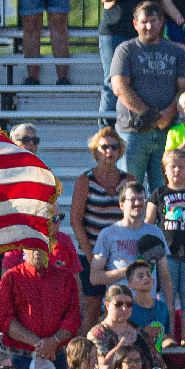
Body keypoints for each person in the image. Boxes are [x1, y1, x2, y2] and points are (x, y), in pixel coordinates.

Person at [108, 1, 185, 194]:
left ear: (161, 22)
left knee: (165, 191)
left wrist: (166, 115)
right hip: (133, 131)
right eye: (144, 21)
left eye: (153, 21)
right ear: (135, 24)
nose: (149, 26)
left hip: (168, 132)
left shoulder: (177, 52)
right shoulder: (126, 49)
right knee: (129, 190)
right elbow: (119, 87)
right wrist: (152, 116)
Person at [69, 127, 129, 335]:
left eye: (114, 147)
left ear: (119, 151)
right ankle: (86, 356)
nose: (109, 151)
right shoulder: (85, 180)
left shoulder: (128, 180)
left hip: (119, 255)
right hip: (91, 252)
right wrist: (91, 255)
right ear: (96, 151)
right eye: (104, 147)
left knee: (122, 306)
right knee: (92, 308)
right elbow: (76, 221)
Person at [144, 147, 185, 317]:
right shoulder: (158, 194)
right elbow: (148, 223)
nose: (177, 170)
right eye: (172, 166)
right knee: (167, 296)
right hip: (166, 254)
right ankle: (168, 334)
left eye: (181, 166)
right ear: (165, 169)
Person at [90, 179, 173, 303]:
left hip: (148, 305)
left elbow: (164, 275)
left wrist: (170, 307)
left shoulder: (155, 232)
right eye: (132, 200)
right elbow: (95, 277)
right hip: (119, 306)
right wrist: (129, 271)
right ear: (121, 205)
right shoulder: (108, 234)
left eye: (141, 199)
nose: (138, 203)